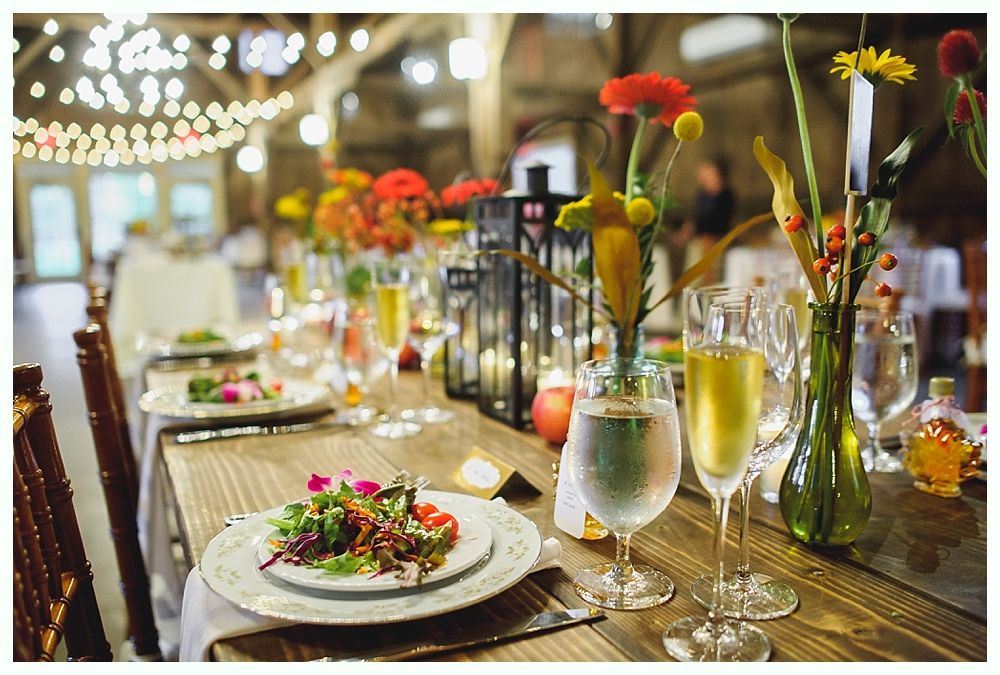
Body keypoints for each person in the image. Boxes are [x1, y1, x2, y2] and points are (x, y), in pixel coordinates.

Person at [686, 158, 735, 284]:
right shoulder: (702, 193)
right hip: (699, 243)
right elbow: (697, 217)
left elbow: (718, 222)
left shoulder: (725, 196)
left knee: (713, 281)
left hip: (714, 244)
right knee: (693, 282)